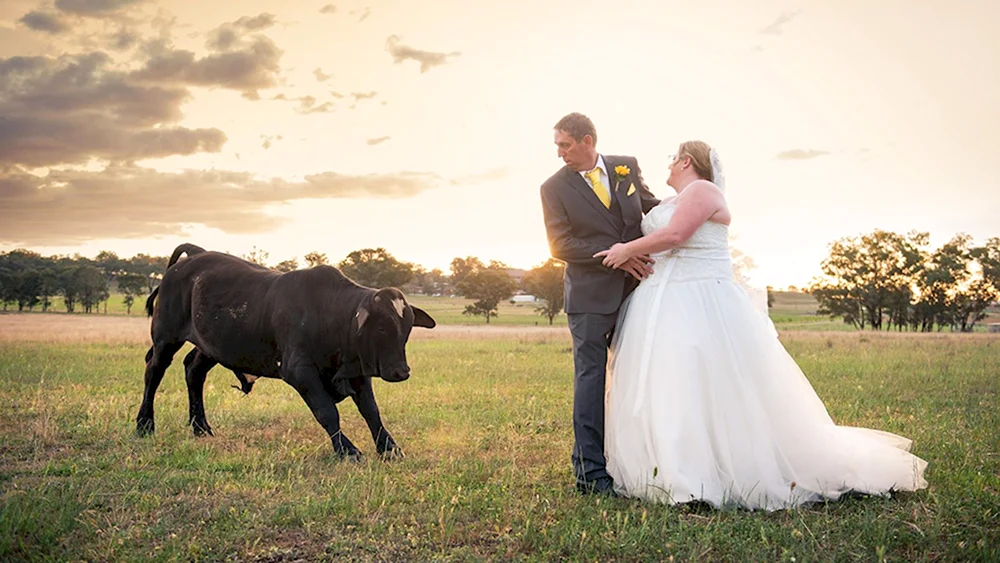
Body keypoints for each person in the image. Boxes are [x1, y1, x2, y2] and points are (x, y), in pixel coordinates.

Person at [595, 141, 929, 510]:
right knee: (672, 385)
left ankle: (709, 476)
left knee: (706, 383)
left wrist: (626, 250)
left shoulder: (703, 190)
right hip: (661, 301)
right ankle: (670, 469)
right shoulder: (668, 201)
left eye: (673, 159)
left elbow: (676, 236)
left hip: (700, 301)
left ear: (687, 161)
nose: (669, 166)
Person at [539, 112, 660, 495]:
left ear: (587, 140)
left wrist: (692, 208)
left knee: (638, 376)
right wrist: (619, 254)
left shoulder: (626, 167)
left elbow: (651, 209)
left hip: (639, 290)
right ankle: (590, 473)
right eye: (557, 145)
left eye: (565, 145)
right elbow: (560, 246)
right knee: (590, 381)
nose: (560, 153)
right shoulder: (553, 188)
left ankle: (638, 459)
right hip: (589, 297)